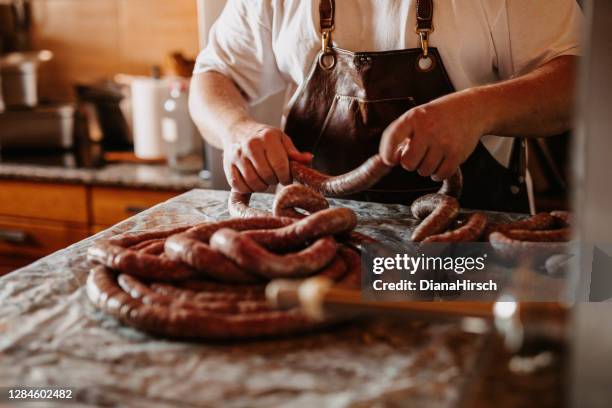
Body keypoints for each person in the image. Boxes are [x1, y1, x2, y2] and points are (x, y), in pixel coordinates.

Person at [189, 0, 581, 212]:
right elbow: (213, 76)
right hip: (317, 243)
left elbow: (579, 79)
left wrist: (477, 110)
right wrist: (238, 130)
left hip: (471, 247)